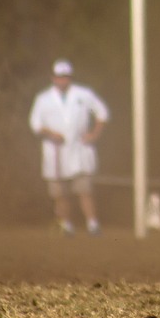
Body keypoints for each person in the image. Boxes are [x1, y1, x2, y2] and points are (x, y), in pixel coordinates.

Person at [28, 59, 109, 236]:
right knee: (59, 193)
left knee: (84, 190)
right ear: (53, 78)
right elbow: (35, 124)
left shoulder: (84, 94)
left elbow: (102, 112)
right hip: (55, 152)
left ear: (70, 78)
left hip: (79, 150)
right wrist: (50, 134)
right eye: (59, 77)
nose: (62, 80)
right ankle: (66, 224)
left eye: (65, 77)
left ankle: (92, 224)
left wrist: (94, 134)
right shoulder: (43, 99)